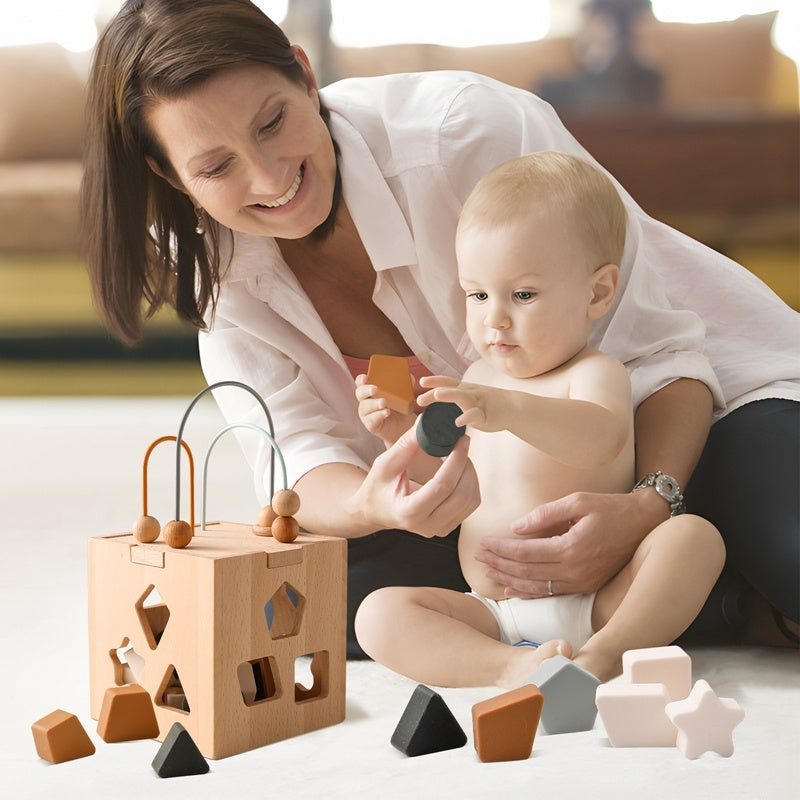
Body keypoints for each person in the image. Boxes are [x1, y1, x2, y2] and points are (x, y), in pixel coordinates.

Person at [81, 0, 799, 659]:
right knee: (313, 604)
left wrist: (646, 506)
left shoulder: (463, 133)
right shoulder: (217, 274)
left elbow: (663, 356)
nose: (270, 178)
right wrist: (372, 500)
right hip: (504, 508)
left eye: (272, 123)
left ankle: (713, 580)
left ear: (304, 74)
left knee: (790, 549)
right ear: (168, 174)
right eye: (215, 167)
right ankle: (718, 606)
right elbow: (300, 462)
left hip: (699, 417)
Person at [353, 152, 725, 685]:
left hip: (600, 599)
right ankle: (514, 667)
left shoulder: (595, 373)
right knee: (377, 614)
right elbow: (450, 482)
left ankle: (606, 654)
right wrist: (400, 436)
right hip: (494, 610)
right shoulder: (478, 377)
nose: (494, 318)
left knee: (693, 539)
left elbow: (598, 439)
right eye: (478, 294)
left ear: (597, 293)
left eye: (523, 295)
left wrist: (507, 408)